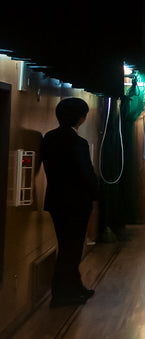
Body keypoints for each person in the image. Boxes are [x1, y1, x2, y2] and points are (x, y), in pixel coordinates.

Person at [39, 97, 100, 306]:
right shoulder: (78, 143)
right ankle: (63, 294)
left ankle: (74, 288)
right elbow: (86, 173)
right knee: (72, 249)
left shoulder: (49, 138)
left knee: (66, 246)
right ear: (81, 118)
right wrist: (95, 194)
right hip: (76, 203)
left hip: (56, 200)